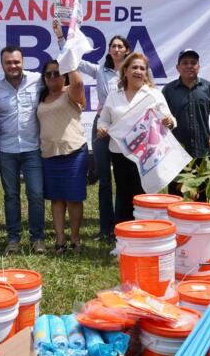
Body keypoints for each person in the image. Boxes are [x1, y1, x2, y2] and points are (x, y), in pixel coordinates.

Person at [53, 22, 130, 242]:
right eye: (113, 46)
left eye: (120, 46)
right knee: (104, 180)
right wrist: (60, 37)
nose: (116, 49)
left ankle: (125, 226)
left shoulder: (134, 71)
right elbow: (72, 60)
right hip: (103, 125)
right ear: (109, 50)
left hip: (127, 127)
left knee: (125, 179)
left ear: (127, 50)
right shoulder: (100, 70)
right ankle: (106, 229)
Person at [97, 53, 177, 223]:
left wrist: (169, 121)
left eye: (142, 68)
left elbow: (170, 119)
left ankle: (146, 232)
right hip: (120, 153)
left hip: (146, 154)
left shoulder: (153, 94)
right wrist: (101, 128)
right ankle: (124, 237)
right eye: (134, 67)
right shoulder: (114, 95)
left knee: (144, 194)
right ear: (125, 71)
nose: (138, 71)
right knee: (123, 194)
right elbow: (104, 119)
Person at [0, 46, 46, 254]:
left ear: (23, 62)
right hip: (7, 149)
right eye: (8, 62)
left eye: (16, 62)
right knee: (11, 195)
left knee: (36, 195)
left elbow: (60, 85)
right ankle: (13, 240)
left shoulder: (38, 79)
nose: (13, 66)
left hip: (33, 148)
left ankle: (37, 239)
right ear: (2, 64)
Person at [37, 60, 88, 254]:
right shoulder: (41, 98)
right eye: (48, 74)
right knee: (56, 200)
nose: (52, 77)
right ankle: (60, 240)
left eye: (56, 73)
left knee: (74, 199)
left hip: (73, 152)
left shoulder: (70, 93)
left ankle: (75, 238)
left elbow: (79, 84)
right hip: (50, 155)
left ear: (64, 75)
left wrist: (69, 62)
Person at [162, 49, 210, 168]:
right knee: (177, 186)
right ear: (177, 67)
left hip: (203, 149)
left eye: (193, 63)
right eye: (185, 63)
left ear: (199, 67)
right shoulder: (168, 90)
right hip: (177, 151)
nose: (189, 66)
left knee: (203, 186)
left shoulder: (209, 88)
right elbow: (161, 118)